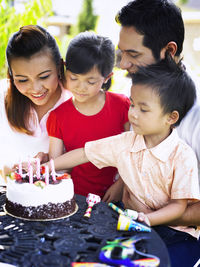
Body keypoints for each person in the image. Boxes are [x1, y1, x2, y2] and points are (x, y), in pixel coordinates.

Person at [44, 58, 200, 265]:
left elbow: (179, 207)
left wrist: (148, 219)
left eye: (143, 109)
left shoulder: (182, 155)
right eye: (132, 104)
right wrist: (47, 168)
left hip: (175, 234)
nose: (132, 114)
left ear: (171, 117)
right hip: (132, 224)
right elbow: (84, 153)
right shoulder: (124, 142)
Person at [115, 0, 200, 229]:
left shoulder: (197, 113)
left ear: (169, 51)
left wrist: (147, 214)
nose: (123, 64)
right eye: (121, 53)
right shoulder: (133, 92)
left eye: (133, 54)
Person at [46, 31, 130, 199]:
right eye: (73, 78)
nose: (80, 87)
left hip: (117, 195)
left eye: (90, 82)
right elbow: (57, 165)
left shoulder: (123, 106)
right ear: (65, 69)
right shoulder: (58, 116)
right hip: (76, 197)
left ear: (107, 78)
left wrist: (121, 184)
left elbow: (133, 152)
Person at [0, 25, 71, 183]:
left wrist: (52, 161)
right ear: (11, 75)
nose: (36, 89)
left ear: (59, 67)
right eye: (22, 80)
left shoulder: (76, 102)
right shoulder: (2, 95)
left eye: (44, 76)